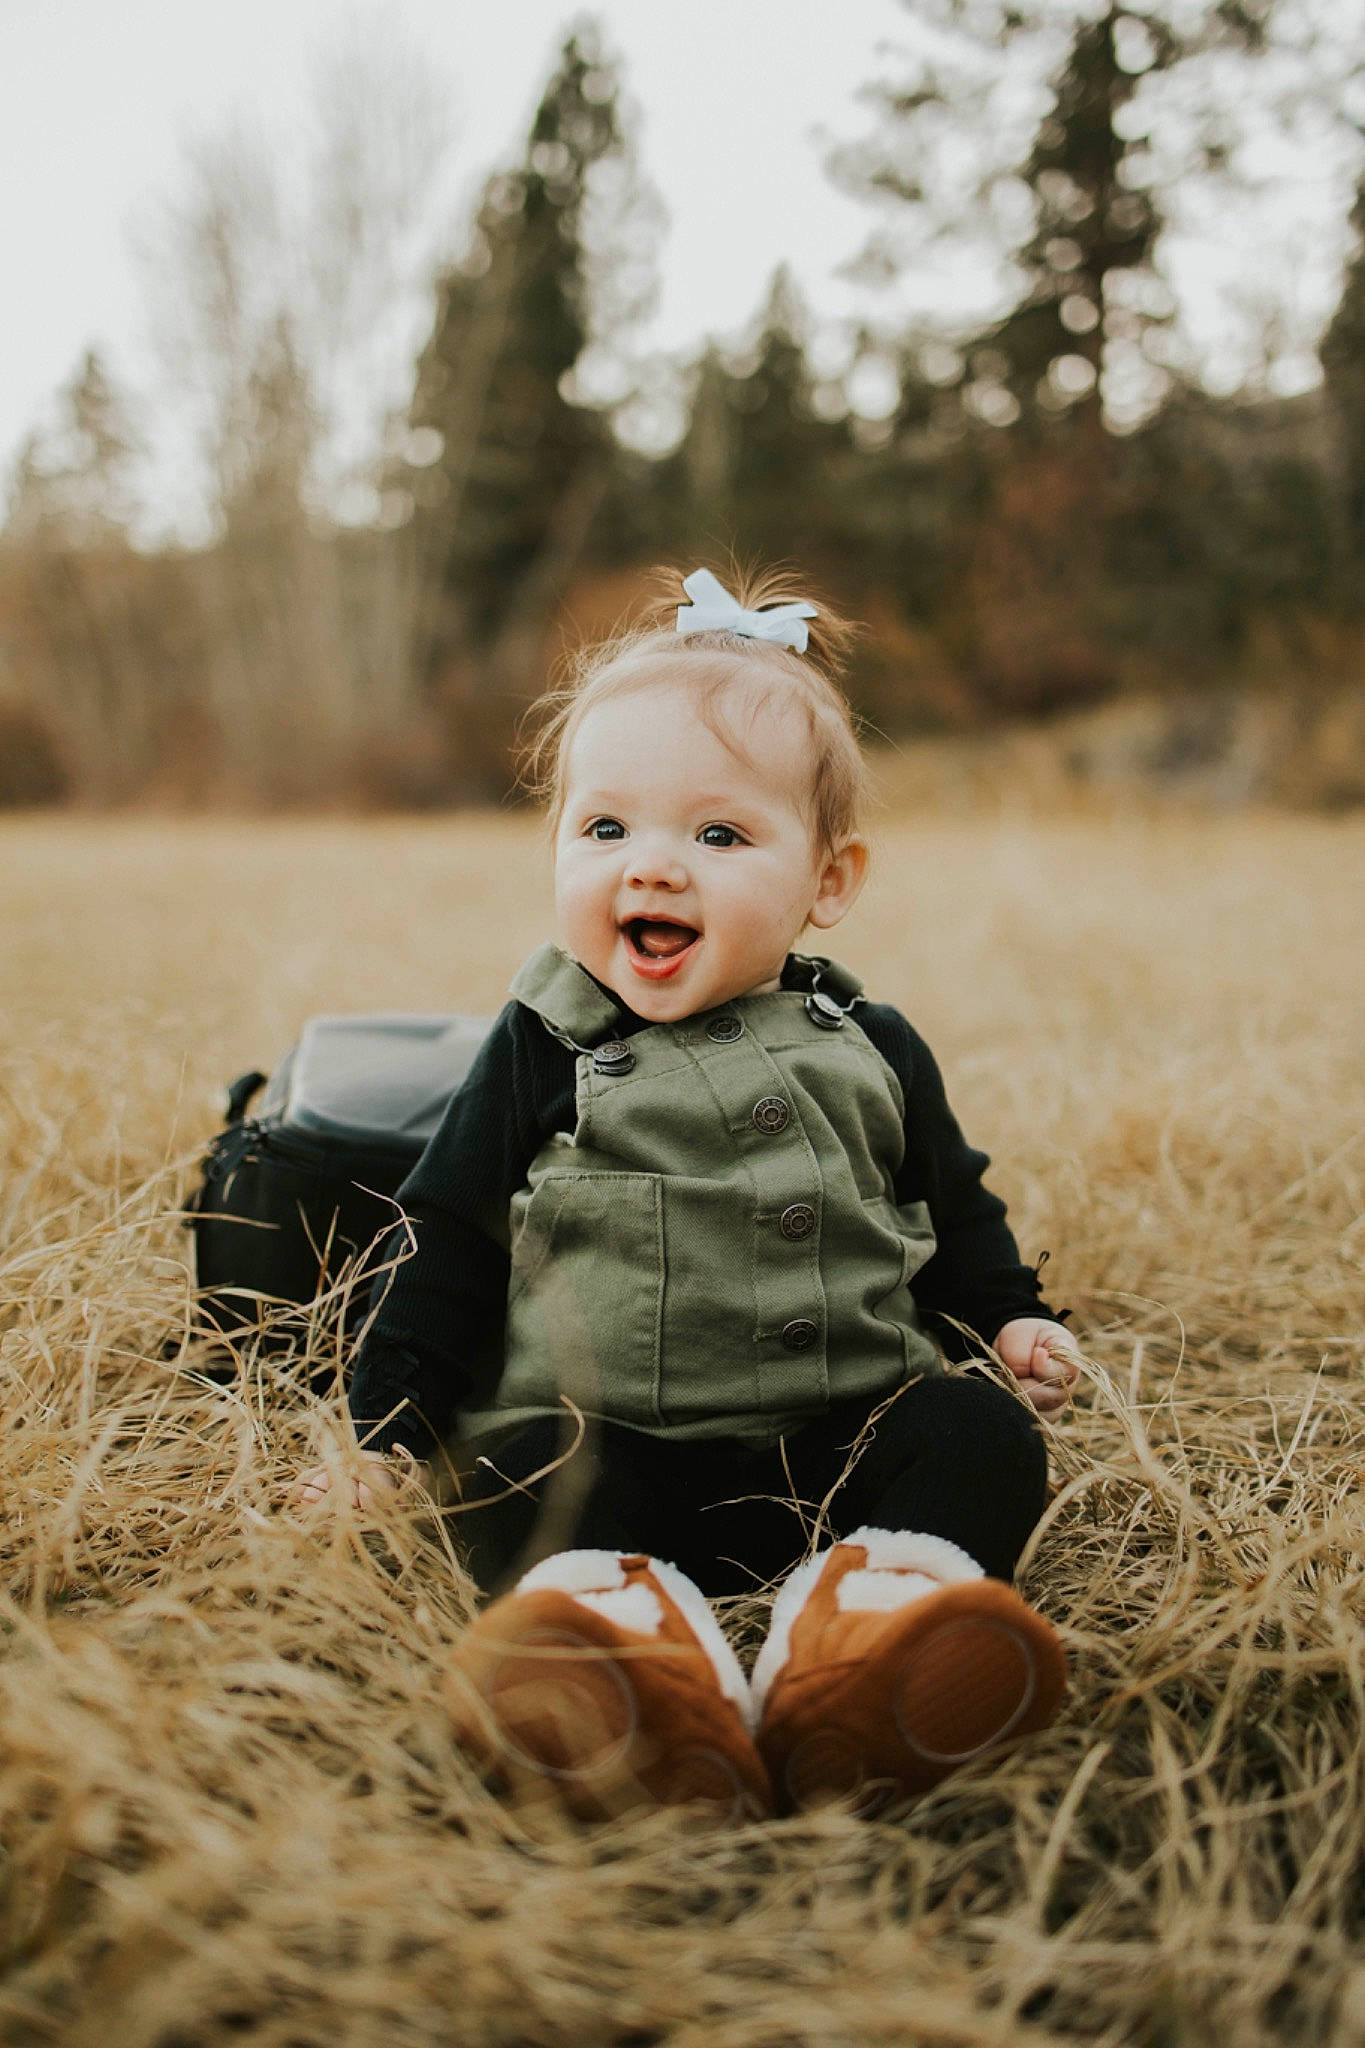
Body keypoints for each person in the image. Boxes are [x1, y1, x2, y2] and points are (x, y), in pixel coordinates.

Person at [297, 565, 1080, 1821]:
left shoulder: (871, 1042)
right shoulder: (544, 1041)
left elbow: (954, 1209)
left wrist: (1007, 1317)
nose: (650, 869)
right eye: (605, 829)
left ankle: (872, 1633)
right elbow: (442, 1235)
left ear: (828, 881)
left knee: (980, 1436)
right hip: (614, 1451)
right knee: (507, 1468)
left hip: (839, 1445)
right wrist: (384, 1435)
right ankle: (622, 1657)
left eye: (718, 836)